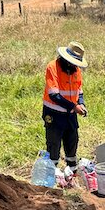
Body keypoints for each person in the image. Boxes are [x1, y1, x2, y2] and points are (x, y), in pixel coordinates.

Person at [42, 41, 88, 175]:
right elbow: (54, 95)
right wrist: (74, 107)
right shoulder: (52, 67)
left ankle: (72, 170)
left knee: (72, 140)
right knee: (54, 143)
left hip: (70, 114)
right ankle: (53, 172)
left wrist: (81, 103)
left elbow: (79, 90)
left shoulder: (76, 70)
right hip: (54, 113)